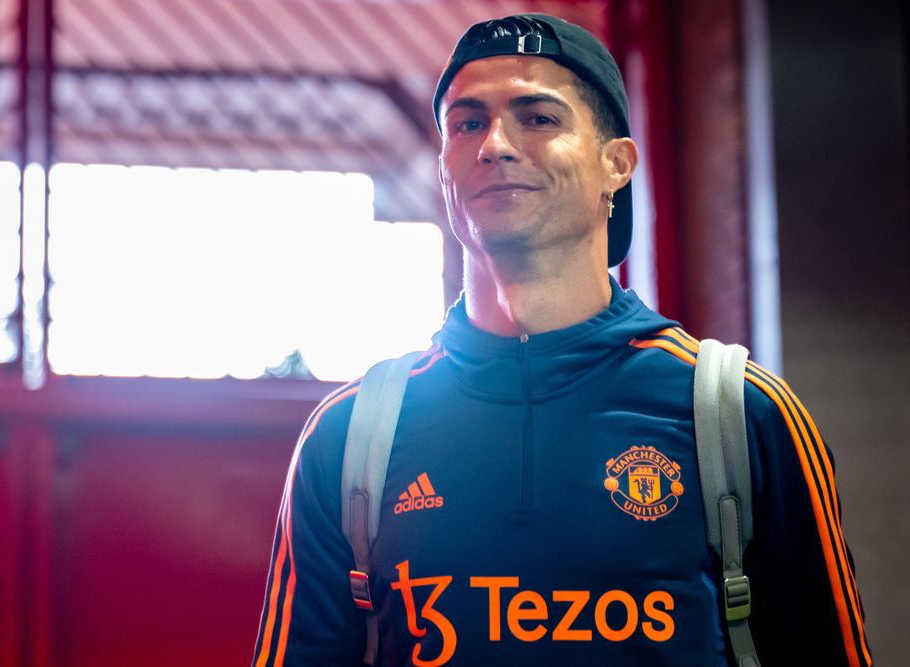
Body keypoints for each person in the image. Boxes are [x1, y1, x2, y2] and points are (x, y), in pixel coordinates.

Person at [252, 13, 870, 667]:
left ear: (617, 165)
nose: (495, 144)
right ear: (444, 173)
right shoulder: (351, 439)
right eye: (467, 123)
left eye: (538, 117)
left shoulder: (738, 415)